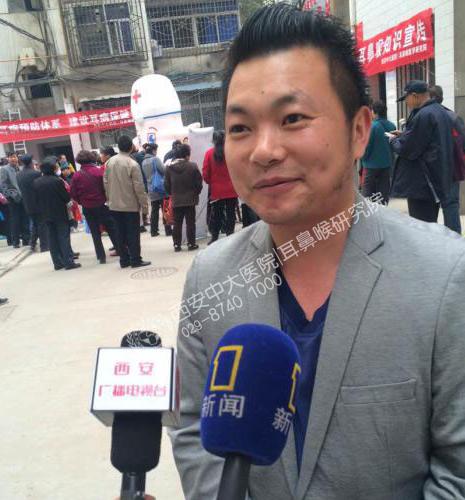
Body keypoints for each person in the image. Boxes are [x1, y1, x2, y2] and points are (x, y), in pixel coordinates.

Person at [169, 5, 465, 500]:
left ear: (358, 130)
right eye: (240, 128)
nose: (263, 150)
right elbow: (195, 433)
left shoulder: (446, 275)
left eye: (293, 119)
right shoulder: (211, 277)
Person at [391, 80, 457, 230]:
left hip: (422, 183)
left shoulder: (424, 115)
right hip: (435, 179)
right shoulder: (440, 111)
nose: (406, 103)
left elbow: (409, 149)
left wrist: (393, 141)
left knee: (421, 228)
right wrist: (405, 135)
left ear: (415, 96)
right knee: (429, 227)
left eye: (406, 98)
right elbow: (426, 141)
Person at [104, 135, 151, 268]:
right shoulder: (132, 164)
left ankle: (124, 260)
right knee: (133, 233)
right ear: (131, 147)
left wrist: (109, 199)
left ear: (118, 147)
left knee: (119, 233)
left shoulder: (109, 162)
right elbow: (139, 188)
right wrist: (145, 207)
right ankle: (135, 259)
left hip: (114, 205)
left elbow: (105, 183)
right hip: (130, 205)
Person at [70, 150, 119, 264]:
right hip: (102, 204)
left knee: (95, 232)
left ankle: (101, 257)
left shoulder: (76, 175)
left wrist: (81, 201)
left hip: (87, 207)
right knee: (111, 228)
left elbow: (73, 193)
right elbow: (106, 187)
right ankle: (120, 249)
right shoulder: (99, 171)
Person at [33, 156, 81, 271]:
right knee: (63, 237)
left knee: (52, 238)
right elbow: (66, 197)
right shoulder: (57, 181)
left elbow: (36, 199)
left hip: (45, 214)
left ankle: (57, 263)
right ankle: (68, 262)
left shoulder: (36, 182)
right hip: (60, 213)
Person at [428, 84, 464, 234]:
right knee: (451, 207)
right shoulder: (453, 116)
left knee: (429, 211)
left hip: (432, 172)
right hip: (453, 171)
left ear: (431, 98)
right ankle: (455, 243)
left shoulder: (428, 116)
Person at [164, 144, 203, 252]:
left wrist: (172, 193)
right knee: (190, 223)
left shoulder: (169, 168)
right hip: (190, 199)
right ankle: (191, 244)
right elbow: (199, 183)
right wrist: (196, 193)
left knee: (177, 223)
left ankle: (177, 245)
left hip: (176, 199)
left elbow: (166, 185)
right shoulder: (193, 166)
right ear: (186, 155)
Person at [202, 130, 238, 244]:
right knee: (231, 213)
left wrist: (212, 182)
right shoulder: (231, 152)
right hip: (231, 189)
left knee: (217, 214)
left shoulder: (209, 153)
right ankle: (230, 234)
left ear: (213, 140)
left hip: (217, 190)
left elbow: (205, 173)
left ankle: (215, 236)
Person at [361, 100, 396, 204]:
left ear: (375, 112)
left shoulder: (372, 126)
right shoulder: (392, 126)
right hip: (386, 165)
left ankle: (369, 213)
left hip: (371, 165)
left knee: (368, 194)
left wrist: (363, 158)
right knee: (383, 193)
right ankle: (381, 210)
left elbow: (367, 146)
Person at [17, 154, 48, 252]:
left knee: (35, 224)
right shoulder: (36, 173)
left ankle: (32, 244)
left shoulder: (18, 175)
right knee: (41, 224)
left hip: (27, 203)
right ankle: (44, 245)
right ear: (31, 162)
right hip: (38, 202)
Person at [0, 152, 30, 248]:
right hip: (12, 199)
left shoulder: (20, 168)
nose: (14, 159)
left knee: (25, 218)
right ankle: (15, 241)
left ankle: (26, 239)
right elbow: (3, 185)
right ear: (8, 158)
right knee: (15, 220)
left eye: (15, 157)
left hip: (23, 197)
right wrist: (10, 195)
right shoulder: (4, 169)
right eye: (11, 157)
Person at [141, 143, 171, 237]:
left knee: (154, 210)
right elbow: (163, 170)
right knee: (165, 208)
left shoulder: (143, 162)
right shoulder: (155, 159)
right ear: (154, 151)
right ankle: (168, 230)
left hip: (151, 188)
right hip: (160, 188)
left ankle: (153, 231)